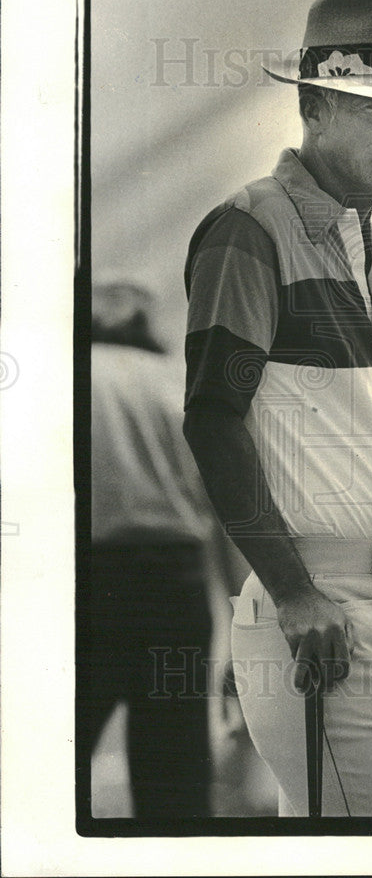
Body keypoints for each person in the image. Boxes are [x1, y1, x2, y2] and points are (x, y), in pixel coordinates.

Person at [183, 0, 372, 816]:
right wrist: (295, 591)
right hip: (324, 604)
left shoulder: (371, 242)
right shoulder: (249, 227)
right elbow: (210, 420)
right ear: (311, 107)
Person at [84, 279, 229, 818]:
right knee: (177, 780)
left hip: (88, 580)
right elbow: (225, 506)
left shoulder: (67, 374)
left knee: (46, 759)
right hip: (176, 586)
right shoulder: (180, 381)